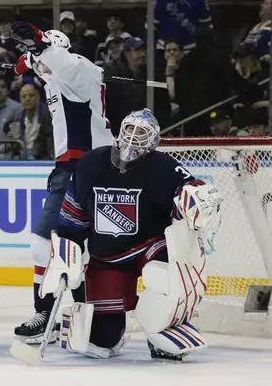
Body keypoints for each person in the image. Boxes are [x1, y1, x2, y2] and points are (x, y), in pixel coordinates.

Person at [45, 109, 221, 361]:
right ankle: (109, 332)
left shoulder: (163, 167)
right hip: (106, 254)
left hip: (149, 245)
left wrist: (197, 196)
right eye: (130, 130)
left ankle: (162, 330)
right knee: (100, 340)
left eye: (142, 133)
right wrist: (65, 252)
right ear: (120, 132)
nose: (134, 137)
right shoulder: (90, 163)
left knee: (166, 279)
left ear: (154, 141)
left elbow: (189, 189)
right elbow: (72, 219)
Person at [9, 21, 114, 342]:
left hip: (84, 171)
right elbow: (43, 69)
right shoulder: (58, 79)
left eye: (42, 55)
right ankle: (74, 315)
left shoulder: (80, 71)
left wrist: (37, 44)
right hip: (76, 170)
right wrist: (28, 61)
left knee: (46, 245)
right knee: (77, 250)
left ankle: (55, 313)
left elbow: (62, 64)